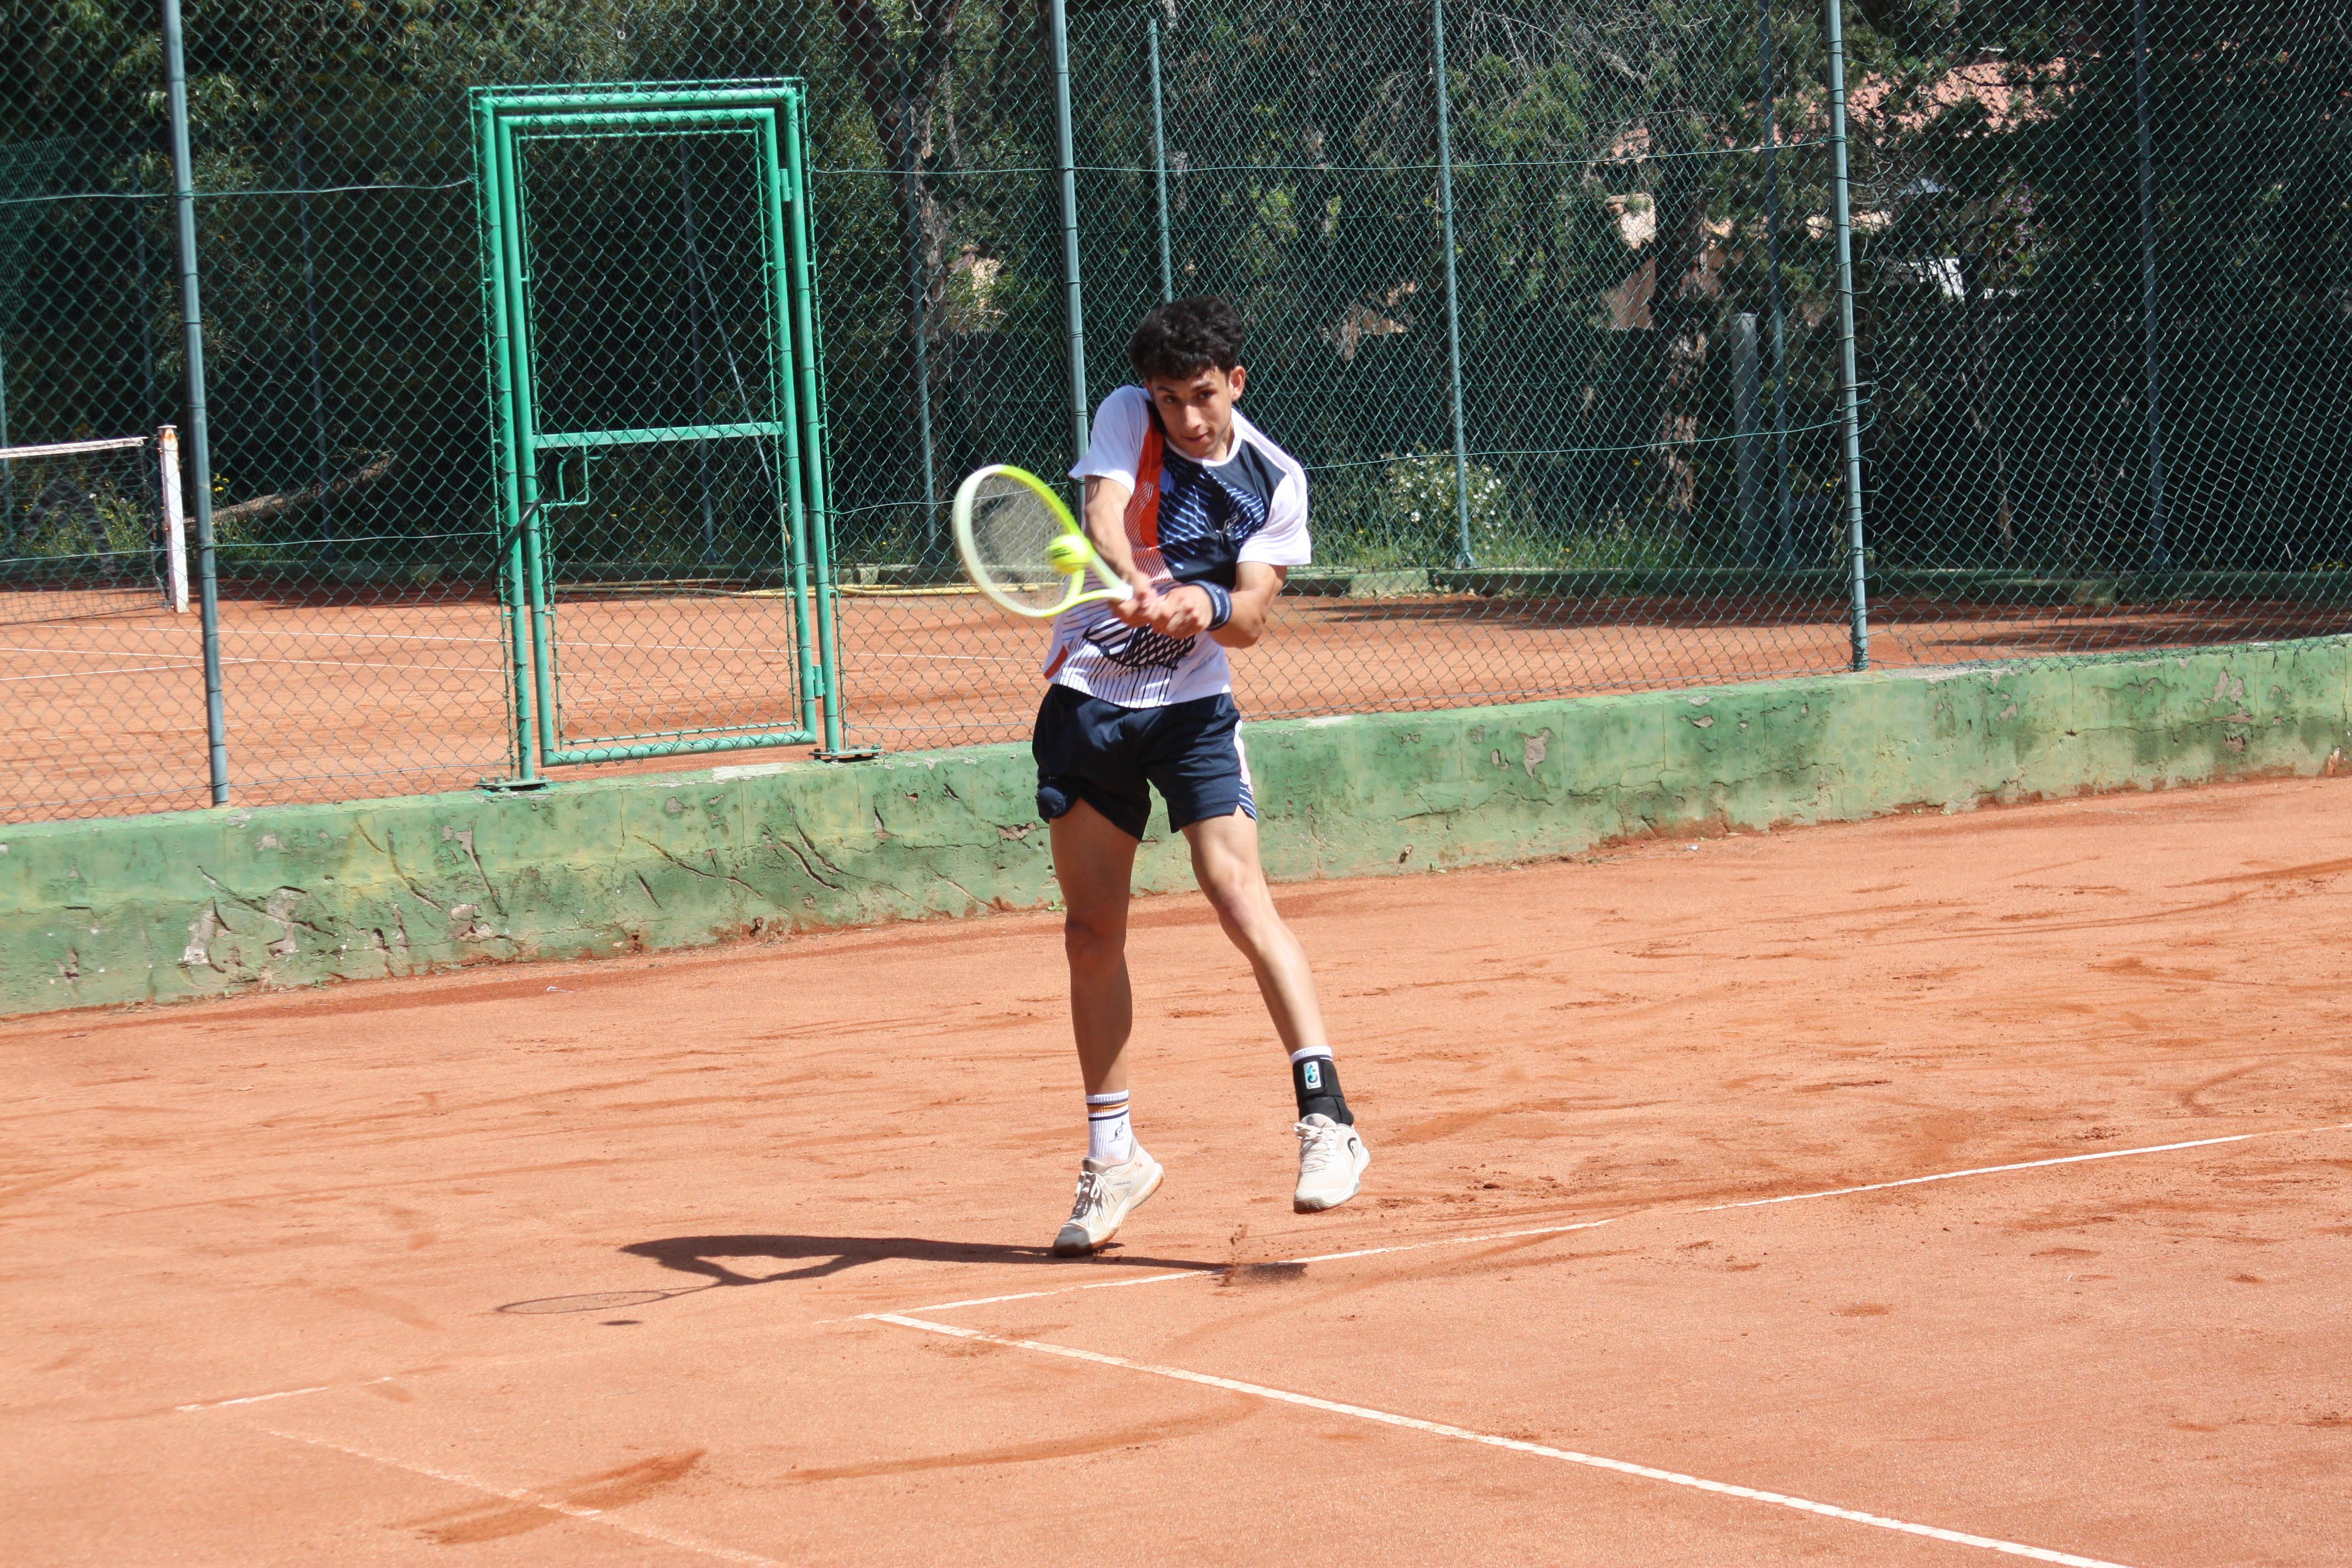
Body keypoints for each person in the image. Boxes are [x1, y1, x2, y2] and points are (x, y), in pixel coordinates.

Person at [1035, 295, 1369, 1257]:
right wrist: (1131, 579)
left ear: (1237, 384)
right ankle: (1114, 1158)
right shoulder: (1125, 416)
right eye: (1172, 398)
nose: (1188, 418)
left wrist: (1203, 602)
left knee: (1236, 893)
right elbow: (1103, 509)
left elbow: (1255, 617)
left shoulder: (1275, 480)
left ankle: (1327, 1119)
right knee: (1092, 932)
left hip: (1193, 714)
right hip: (1090, 704)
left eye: (1205, 397)